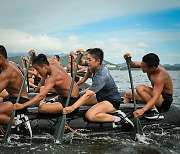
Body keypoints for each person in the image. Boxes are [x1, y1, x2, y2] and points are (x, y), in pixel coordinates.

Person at [63, 48, 134, 129]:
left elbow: (88, 95)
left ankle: (119, 118)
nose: (87, 62)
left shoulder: (102, 75)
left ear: (98, 61)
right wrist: (79, 55)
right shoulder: (95, 65)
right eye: (87, 60)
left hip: (111, 101)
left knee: (89, 115)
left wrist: (72, 108)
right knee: (76, 100)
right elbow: (81, 62)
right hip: (100, 97)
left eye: (89, 60)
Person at [14, 53, 80, 115]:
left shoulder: (52, 77)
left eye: (37, 69)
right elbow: (41, 60)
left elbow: (41, 96)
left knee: (41, 108)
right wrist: (33, 56)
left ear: (45, 66)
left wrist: (23, 105)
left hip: (70, 101)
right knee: (42, 88)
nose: (37, 72)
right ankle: (51, 101)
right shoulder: (54, 64)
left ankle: (45, 103)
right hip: (64, 95)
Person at [123, 53, 173, 119]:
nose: (141, 67)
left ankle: (154, 111)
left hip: (164, 100)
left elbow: (155, 97)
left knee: (140, 87)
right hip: (157, 96)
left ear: (153, 68)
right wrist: (128, 59)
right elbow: (132, 65)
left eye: (143, 67)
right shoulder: (148, 65)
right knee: (128, 94)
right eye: (141, 65)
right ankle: (123, 115)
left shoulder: (159, 77)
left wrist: (143, 110)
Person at [0, 45, 31, 135]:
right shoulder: (10, 64)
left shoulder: (7, 72)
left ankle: (19, 123)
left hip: (20, 102)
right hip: (12, 97)